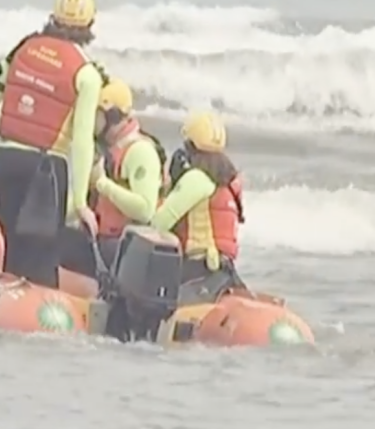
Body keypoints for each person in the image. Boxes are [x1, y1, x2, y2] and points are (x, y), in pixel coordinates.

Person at [0, 0, 108, 289]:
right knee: (41, 260)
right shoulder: (86, 73)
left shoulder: (20, 50)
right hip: (45, 172)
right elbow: (82, 140)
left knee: (10, 249)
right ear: (89, 26)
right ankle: (36, 332)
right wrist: (80, 202)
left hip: (4, 159)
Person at [59, 79, 166, 275]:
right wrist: (53, 215)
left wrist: (102, 184)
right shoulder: (107, 153)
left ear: (113, 116)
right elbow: (81, 202)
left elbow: (145, 210)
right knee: (52, 238)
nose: (90, 122)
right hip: (103, 241)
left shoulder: (140, 151)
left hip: (127, 250)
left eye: (95, 115)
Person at [149, 111, 248, 293]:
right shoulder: (229, 179)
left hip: (197, 268)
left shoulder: (196, 179)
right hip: (224, 268)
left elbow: (159, 223)